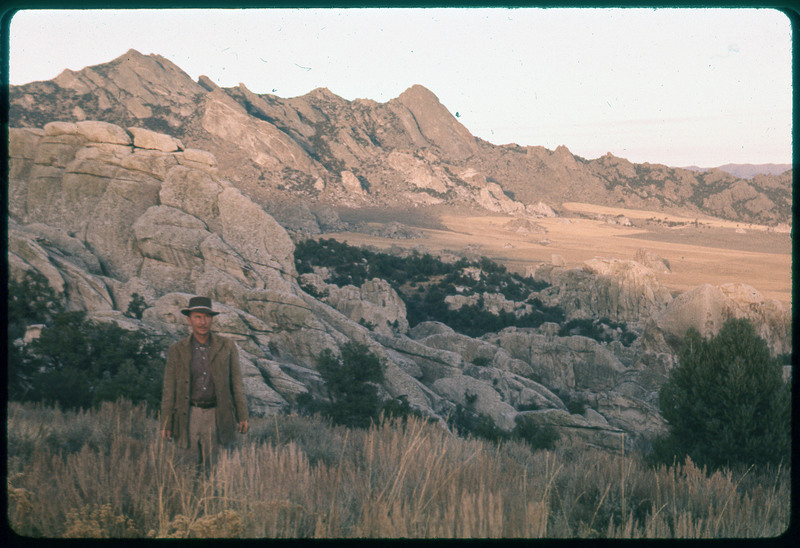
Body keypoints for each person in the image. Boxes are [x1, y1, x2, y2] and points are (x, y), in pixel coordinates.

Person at [160, 296, 249, 468]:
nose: (203, 322)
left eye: (207, 317)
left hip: (217, 415)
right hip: (188, 415)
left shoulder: (227, 346)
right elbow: (169, 389)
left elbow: (236, 383)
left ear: (212, 319)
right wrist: (166, 423)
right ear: (189, 319)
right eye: (198, 317)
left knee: (216, 469)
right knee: (187, 468)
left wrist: (242, 415)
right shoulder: (176, 350)